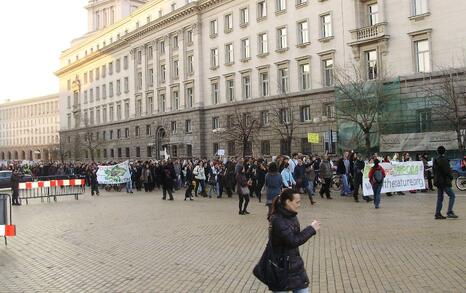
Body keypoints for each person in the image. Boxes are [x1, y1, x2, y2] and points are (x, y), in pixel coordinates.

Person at [269, 188, 321, 293]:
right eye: (297, 202)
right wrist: (311, 229)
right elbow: (293, 241)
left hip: (295, 266)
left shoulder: (291, 215)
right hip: (281, 269)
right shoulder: (277, 220)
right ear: (288, 202)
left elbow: (296, 237)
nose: (299, 204)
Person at [433, 146, 458, 219]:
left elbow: (434, 171)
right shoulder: (444, 160)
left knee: (440, 198)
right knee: (452, 196)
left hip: (438, 181)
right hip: (444, 181)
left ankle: (437, 213)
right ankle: (449, 212)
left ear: (437, 152)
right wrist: (450, 177)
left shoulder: (435, 159)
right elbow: (447, 171)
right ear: (444, 152)